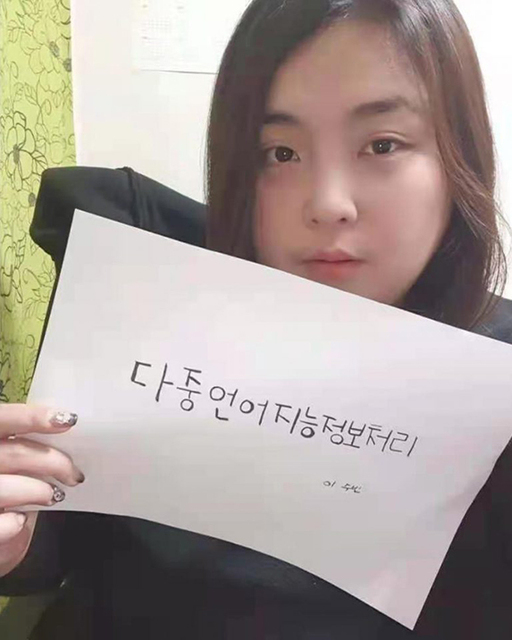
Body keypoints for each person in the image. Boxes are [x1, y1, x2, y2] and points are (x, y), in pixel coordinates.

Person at [1, 0, 512, 637]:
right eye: (281, 153)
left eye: (382, 145)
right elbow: (60, 546)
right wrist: (15, 533)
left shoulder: (497, 386)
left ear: (460, 158)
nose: (328, 204)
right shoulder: (150, 311)